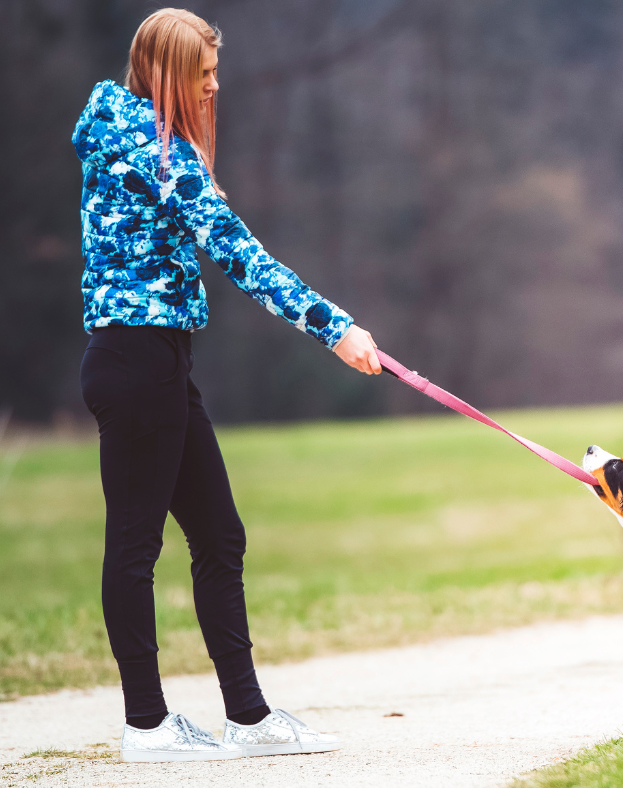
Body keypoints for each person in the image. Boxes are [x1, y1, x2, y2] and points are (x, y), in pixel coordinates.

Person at [73, 8, 381, 762]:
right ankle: (147, 726)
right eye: (202, 74)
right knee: (135, 546)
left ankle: (247, 717)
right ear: (167, 75)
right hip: (138, 360)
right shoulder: (156, 150)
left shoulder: (131, 132)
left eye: (215, 71)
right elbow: (237, 251)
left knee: (218, 535)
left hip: (156, 361)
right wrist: (335, 328)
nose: (214, 86)